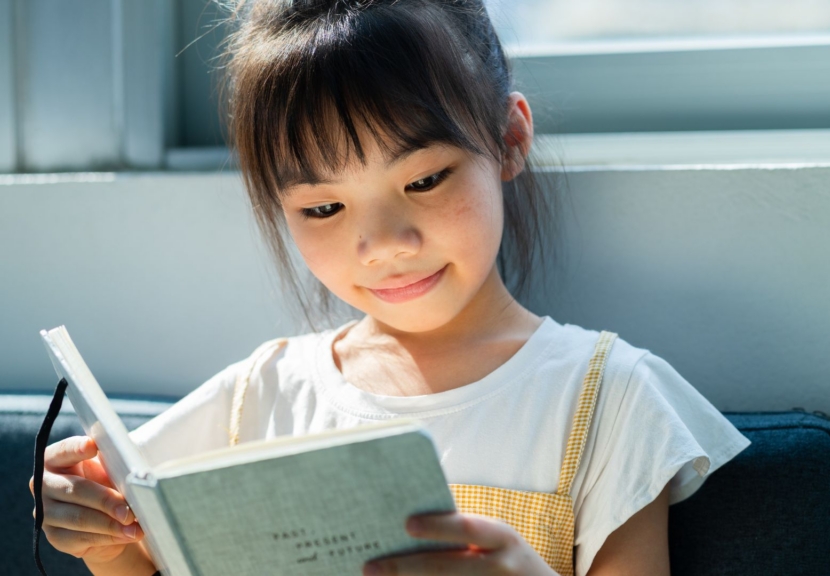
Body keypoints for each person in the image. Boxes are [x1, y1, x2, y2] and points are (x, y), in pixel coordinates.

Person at [29, 1, 751, 574]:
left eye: (424, 180)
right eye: (323, 208)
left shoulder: (608, 400)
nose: (384, 247)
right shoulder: (263, 395)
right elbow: (144, 553)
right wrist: (102, 539)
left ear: (508, 141)